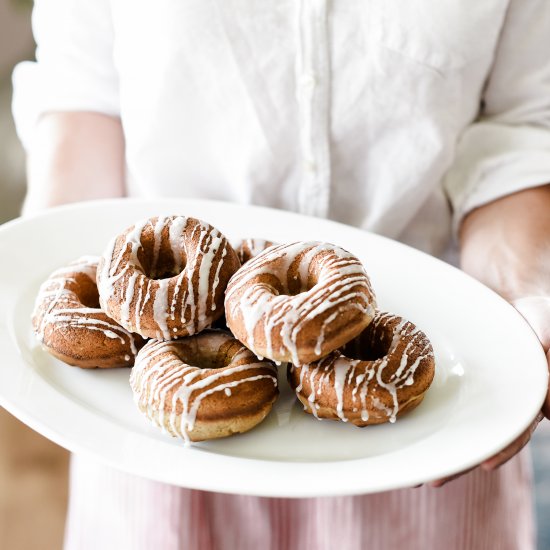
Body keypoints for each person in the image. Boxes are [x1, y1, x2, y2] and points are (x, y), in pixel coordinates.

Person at [12, 1, 550, 549]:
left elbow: (522, 127)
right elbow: (81, 91)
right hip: (156, 427)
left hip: (425, 420)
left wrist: (527, 292)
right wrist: (47, 264)